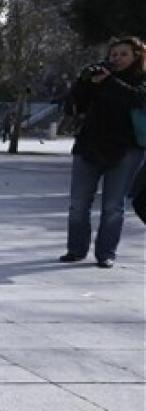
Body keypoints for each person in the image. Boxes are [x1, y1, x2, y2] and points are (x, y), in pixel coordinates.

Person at [59, 35, 146, 269]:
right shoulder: (99, 76)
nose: (116, 58)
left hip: (126, 148)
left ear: (137, 56)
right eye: (113, 54)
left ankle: (106, 253)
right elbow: (72, 106)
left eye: (123, 54)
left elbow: (137, 98)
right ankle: (76, 249)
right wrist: (83, 82)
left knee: (113, 206)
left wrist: (107, 82)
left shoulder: (141, 79)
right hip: (89, 145)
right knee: (78, 204)